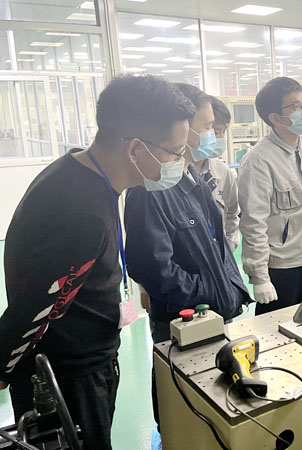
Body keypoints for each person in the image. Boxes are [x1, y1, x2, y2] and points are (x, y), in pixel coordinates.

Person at [0, 75, 196, 449]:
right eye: (175, 151)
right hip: (70, 376)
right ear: (136, 149)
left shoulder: (79, 171)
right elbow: (35, 306)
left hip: (84, 360)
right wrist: (3, 366)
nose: (181, 162)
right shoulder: (81, 211)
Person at [124, 83, 251, 425]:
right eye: (207, 126)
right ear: (183, 129)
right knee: (182, 407)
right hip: (184, 319)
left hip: (213, 311)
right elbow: (153, 268)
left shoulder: (192, 176)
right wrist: (207, 293)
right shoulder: (152, 188)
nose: (213, 134)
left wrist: (227, 290)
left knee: (215, 398)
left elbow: (215, 245)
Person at [238, 77, 302, 315]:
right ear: (275, 117)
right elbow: (253, 223)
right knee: (277, 332)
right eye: (295, 106)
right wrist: (260, 277)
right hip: (283, 268)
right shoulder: (258, 160)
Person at [192, 96, 240, 251]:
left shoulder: (222, 171)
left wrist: (228, 247)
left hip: (220, 258)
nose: (220, 138)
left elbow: (232, 214)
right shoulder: (172, 175)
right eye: (216, 131)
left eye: (223, 132)